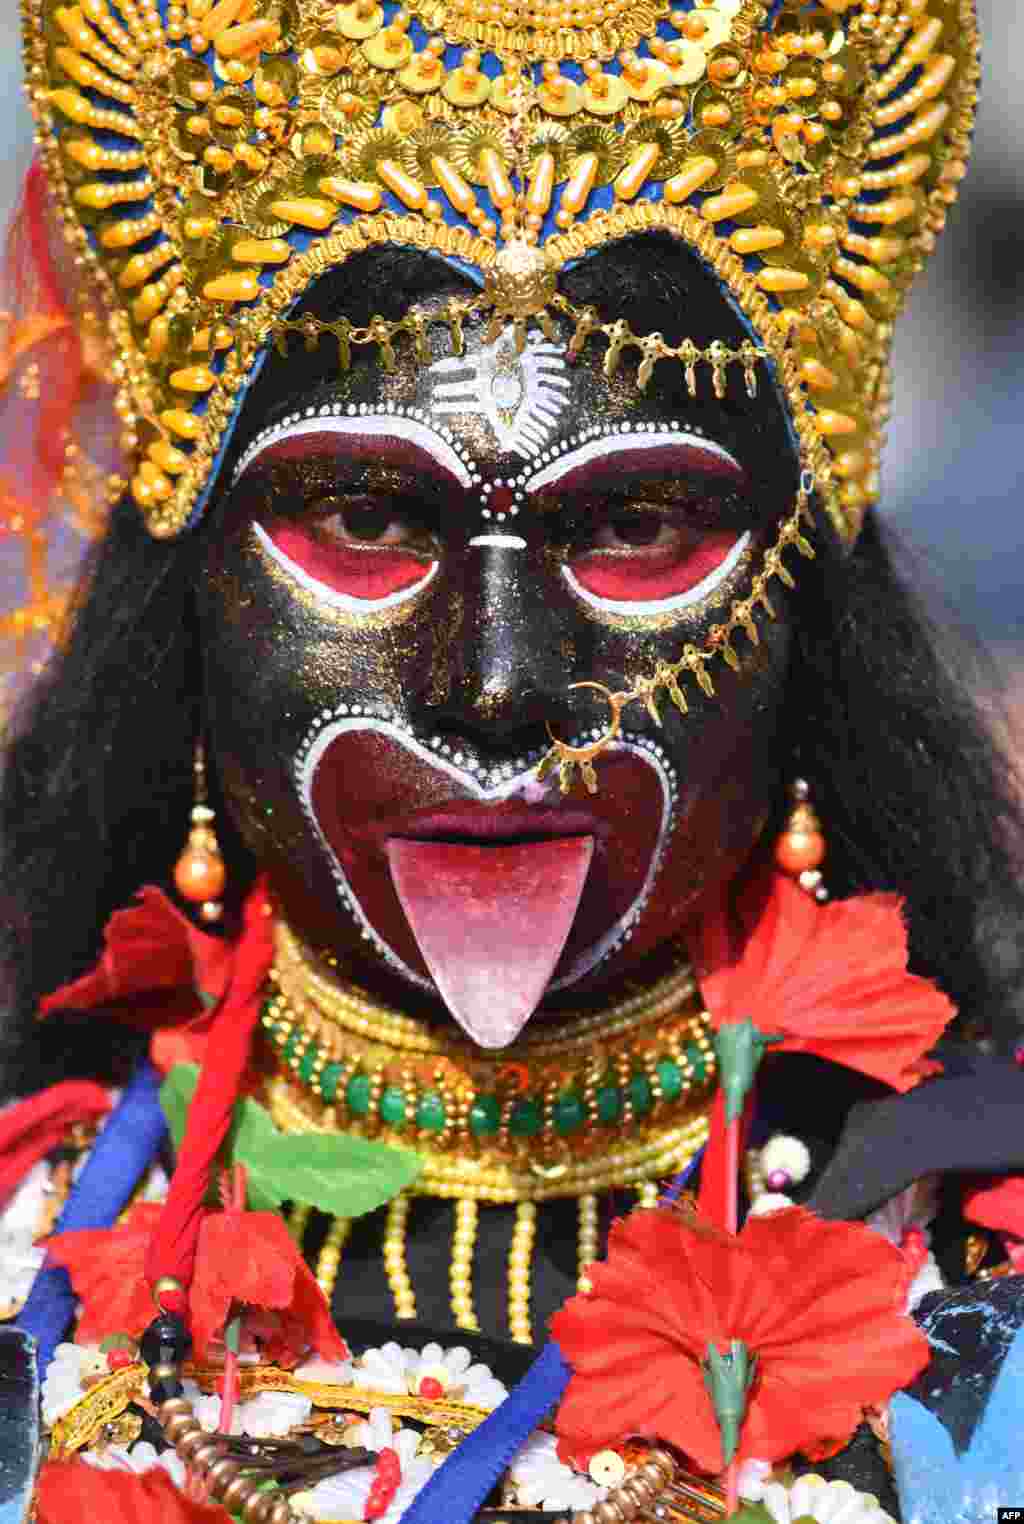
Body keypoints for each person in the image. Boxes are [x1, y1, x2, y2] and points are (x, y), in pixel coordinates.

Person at [2, 1, 1023, 1520]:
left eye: (630, 528)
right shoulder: (36, 1232)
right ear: (189, 607)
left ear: (806, 616)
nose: (494, 685)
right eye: (363, 518)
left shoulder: (977, 1295)